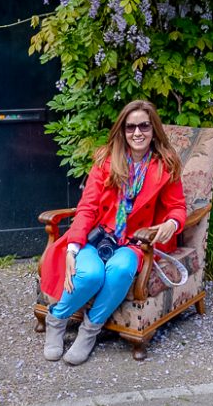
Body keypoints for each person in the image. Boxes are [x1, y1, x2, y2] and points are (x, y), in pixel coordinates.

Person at [40, 99, 187, 365]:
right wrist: (73, 247)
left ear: (154, 130)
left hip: (133, 242)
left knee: (120, 270)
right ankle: (56, 319)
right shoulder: (106, 161)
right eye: (130, 127)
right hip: (98, 236)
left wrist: (171, 224)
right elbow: (87, 207)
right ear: (122, 131)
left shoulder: (165, 165)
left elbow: (177, 208)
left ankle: (88, 332)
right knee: (90, 275)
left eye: (144, 126)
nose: (137, 133)